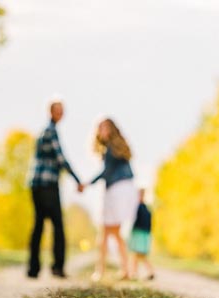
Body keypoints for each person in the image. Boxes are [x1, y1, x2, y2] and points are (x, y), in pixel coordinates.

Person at [27, 100, 84, 279]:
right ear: (50, 112)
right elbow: (61, 159)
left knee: (39, 224)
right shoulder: (51, 131)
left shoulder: (42, 131)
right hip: (47, 184)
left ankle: (33, 269)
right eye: (57, 111)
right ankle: (57, 267)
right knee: (57, 225)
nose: (60, 114)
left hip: (35, 183)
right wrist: (77, 179)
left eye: (62, 111)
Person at [88, 118, 138, 281]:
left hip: (116, 190)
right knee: (114, 232)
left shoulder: (110, 149)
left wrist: (87, 183)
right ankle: (126, 270)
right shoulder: (119, 147)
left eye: (104, 127)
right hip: (127, 189)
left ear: (110, 129)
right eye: (100, 127)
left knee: (106, 231)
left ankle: (100, 271)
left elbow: (106, 172)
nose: (101, 131)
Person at [128, 189, 155, 280]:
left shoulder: (138, 208)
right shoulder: (147, 210)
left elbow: (133, 220)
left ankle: (135, 273)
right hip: (145, 235)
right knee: (139, 255)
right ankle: (137, 273)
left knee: (137, 254)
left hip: (138, 233)